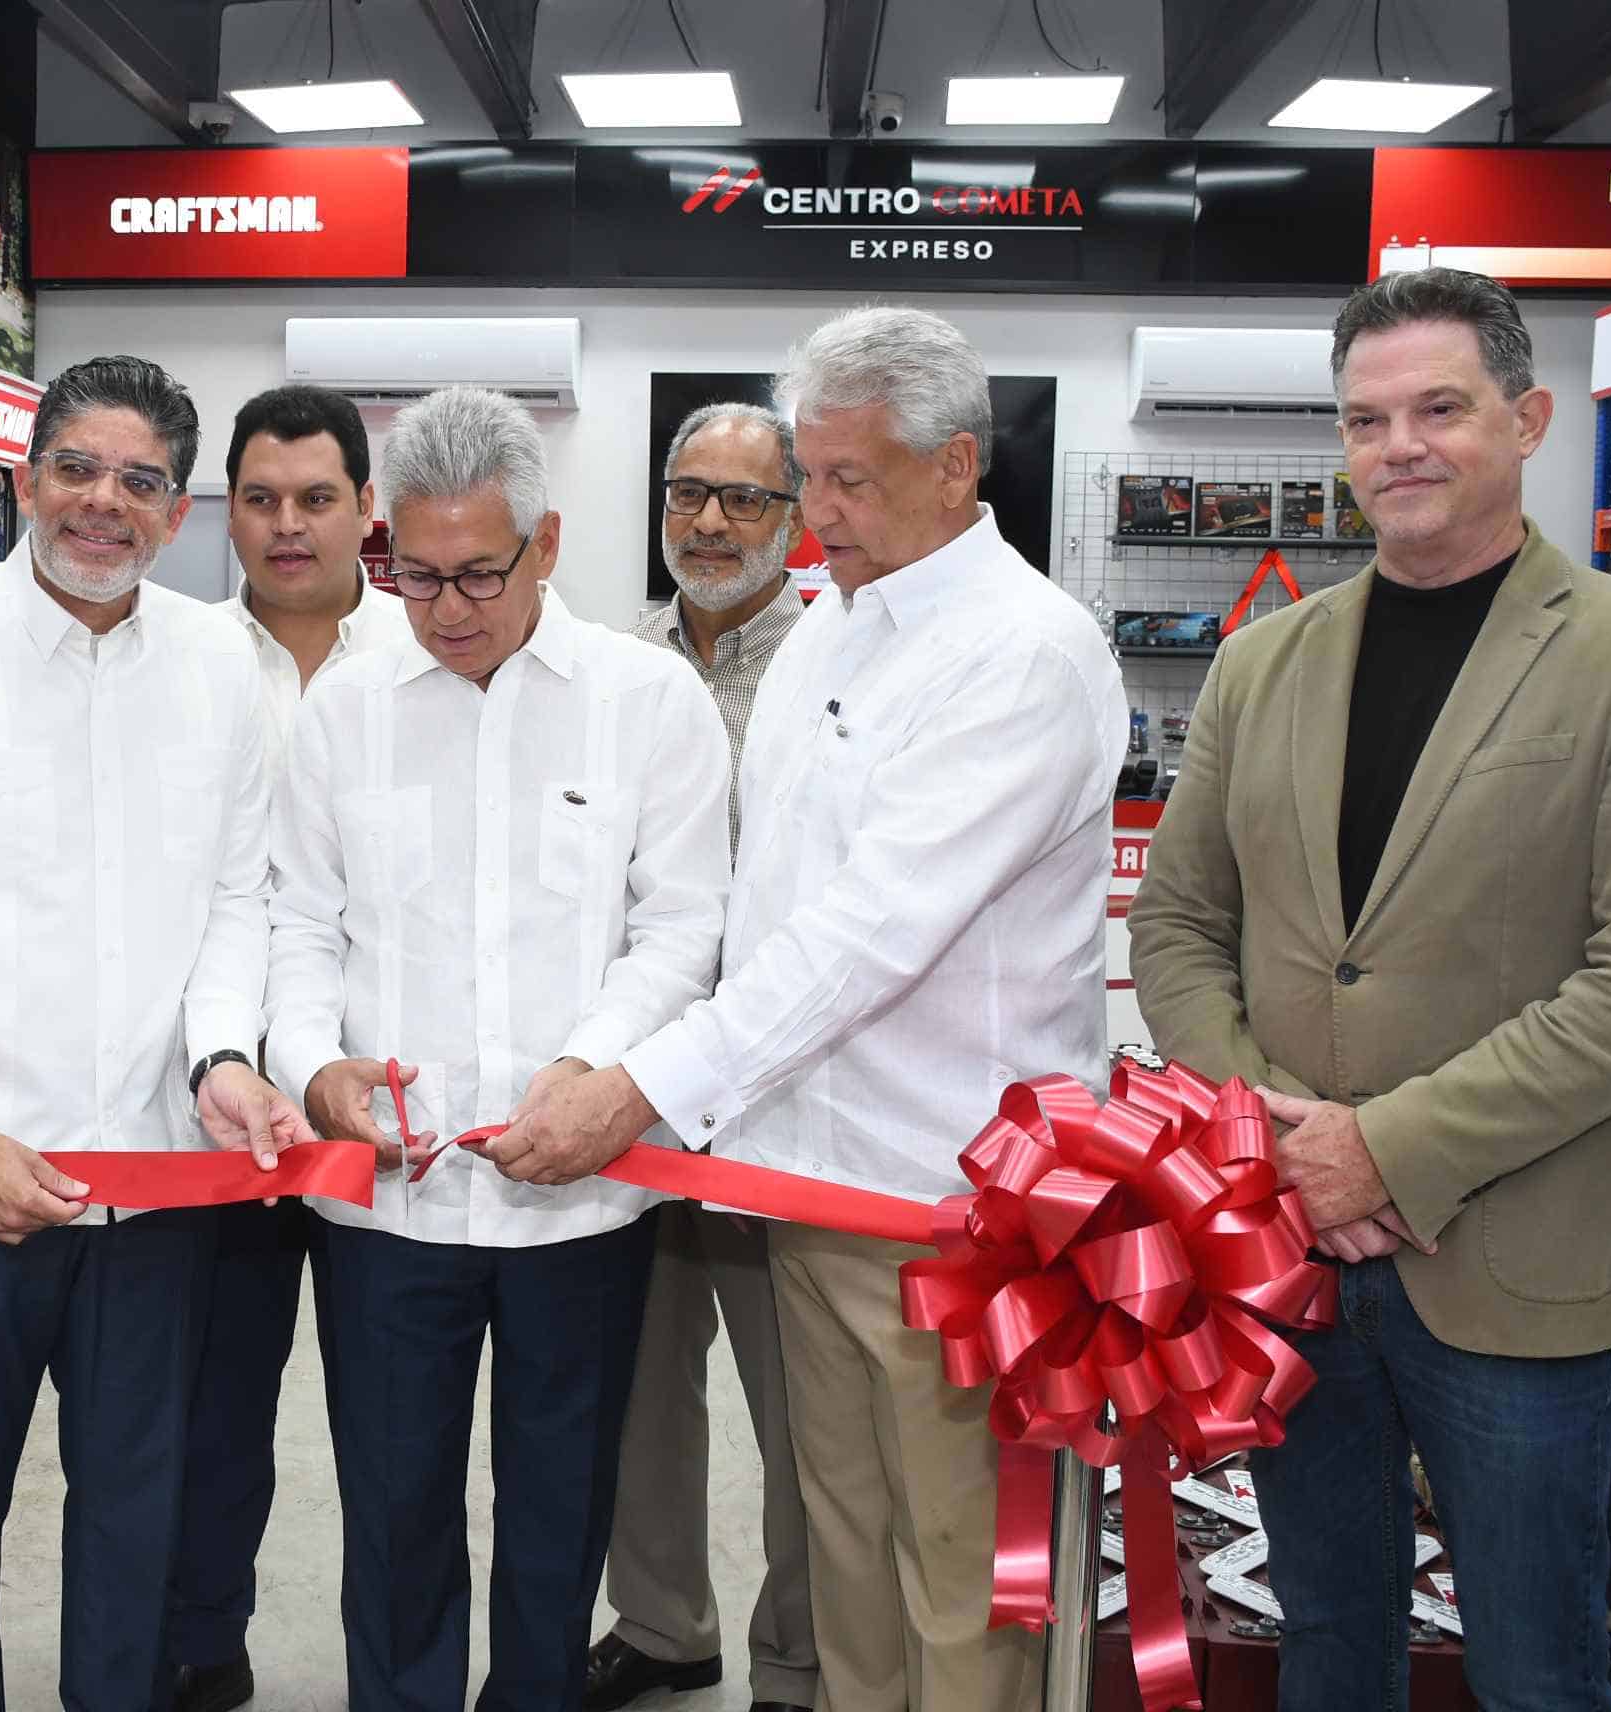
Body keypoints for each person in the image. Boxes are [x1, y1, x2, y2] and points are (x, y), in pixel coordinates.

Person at [1129, 268, 1611, 1712]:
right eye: (1366, 419)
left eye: (1439, 409)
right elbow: (1178, 921)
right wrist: (1268, 1133)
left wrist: (1388, 1151)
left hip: (1516, 1259)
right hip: (1288, 1250)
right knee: (1328, 1635)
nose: (1398, 445)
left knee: (1537, 1665)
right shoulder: (1260, 661)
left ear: (1527, 418)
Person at [493, 305, 1127, 1712]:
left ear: (958, 465)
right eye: (812, 477)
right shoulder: (832, 639)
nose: (813, 513)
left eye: (845, 480)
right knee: (847, 1573)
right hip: (809, 1193)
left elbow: (867, 935)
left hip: (953, 1213)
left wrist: (644, 1088)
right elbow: (748, 909)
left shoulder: (1022, 652)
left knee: (963, 1590)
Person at [0, 354, 310, 1712]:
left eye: (141, 481)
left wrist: (222, 1059)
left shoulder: (219, 663)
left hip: (153, 1184)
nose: (103, 503)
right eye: (77, 468)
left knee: (136, 1512)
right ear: (26, 478)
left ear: (178, 510)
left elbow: (236, 898)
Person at [267, 386, 731, 1712]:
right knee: (394, 1525)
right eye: (414, 573)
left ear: (547, 543)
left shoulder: (648, 703)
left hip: (579, 1208)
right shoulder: (346, 708)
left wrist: (589, 1070)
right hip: (388, 1219)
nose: (449, 604)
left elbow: (681, 927)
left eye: (480, 570)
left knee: (554, 1534)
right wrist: (314, 1068)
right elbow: (299, 922)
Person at [165, 383, 413, 1712]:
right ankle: (206, 1637)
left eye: (317, 498)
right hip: (214, 1108)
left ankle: (397, 1668)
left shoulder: (424, 653)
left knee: (392, 1424)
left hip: (380, 1106)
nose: (287, 525)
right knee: (213, 1393)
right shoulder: (181, 659)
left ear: (366, 511)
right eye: (258, 499)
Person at [589, 400, 816, 1712]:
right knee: (635, 1394)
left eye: (743, 499)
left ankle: (798, 1660)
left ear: (796, 515)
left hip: (789, 1104)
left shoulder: (838, 663)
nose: (711, 522)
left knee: (804, 1417)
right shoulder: (618, 666)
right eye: (688, 494)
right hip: (637, 1103)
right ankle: (668, 1627)